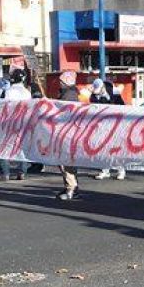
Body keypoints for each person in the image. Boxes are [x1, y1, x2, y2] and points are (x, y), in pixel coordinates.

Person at [91, 78, 127, 181]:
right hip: (102, 125)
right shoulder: (94, 95)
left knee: (116, 148)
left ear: (103, 87)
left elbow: (122, 106)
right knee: (103, 148)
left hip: (115, 123)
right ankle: (105, 170)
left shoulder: (114, 91)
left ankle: (121, 170)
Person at [1, 69, 32, 180]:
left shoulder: (9, 91)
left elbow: (4, 107)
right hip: (24, 122)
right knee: (21, 147)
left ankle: (5, 173)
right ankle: (22, 172)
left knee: (4, 147)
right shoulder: (27, 93)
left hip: (9, 121)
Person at [56, 71, 81, 200]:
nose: (59, 84)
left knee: (65, 161)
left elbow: (63, 112)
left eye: (61, 81)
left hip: (66, 132)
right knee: (66, 161)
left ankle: (71, 188)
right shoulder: (69, 93)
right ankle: (71, 186)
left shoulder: (68, 95)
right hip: (68, 131)